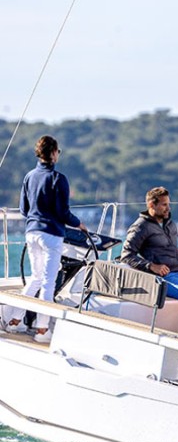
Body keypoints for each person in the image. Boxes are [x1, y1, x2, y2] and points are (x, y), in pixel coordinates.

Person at [3, 135, 88, 343]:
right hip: (51, 235)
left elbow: (24, 209)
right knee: (49, 282)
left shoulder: (29, 176)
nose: (58, 155)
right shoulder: (59, 179)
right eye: (58, 151)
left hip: (31, 232)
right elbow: (63, 213)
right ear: (53, 153)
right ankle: (42, 330)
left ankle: (15, 320)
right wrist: (79, 224)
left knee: (36, 278)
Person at [120, 186, 178, 300]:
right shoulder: (140, 227)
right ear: (151, 205)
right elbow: (126, 255)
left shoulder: (170, 224)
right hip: (167, 277)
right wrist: (151, 266)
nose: (168, 208)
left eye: (169, 204)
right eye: (164, 205)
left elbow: (167, 249)